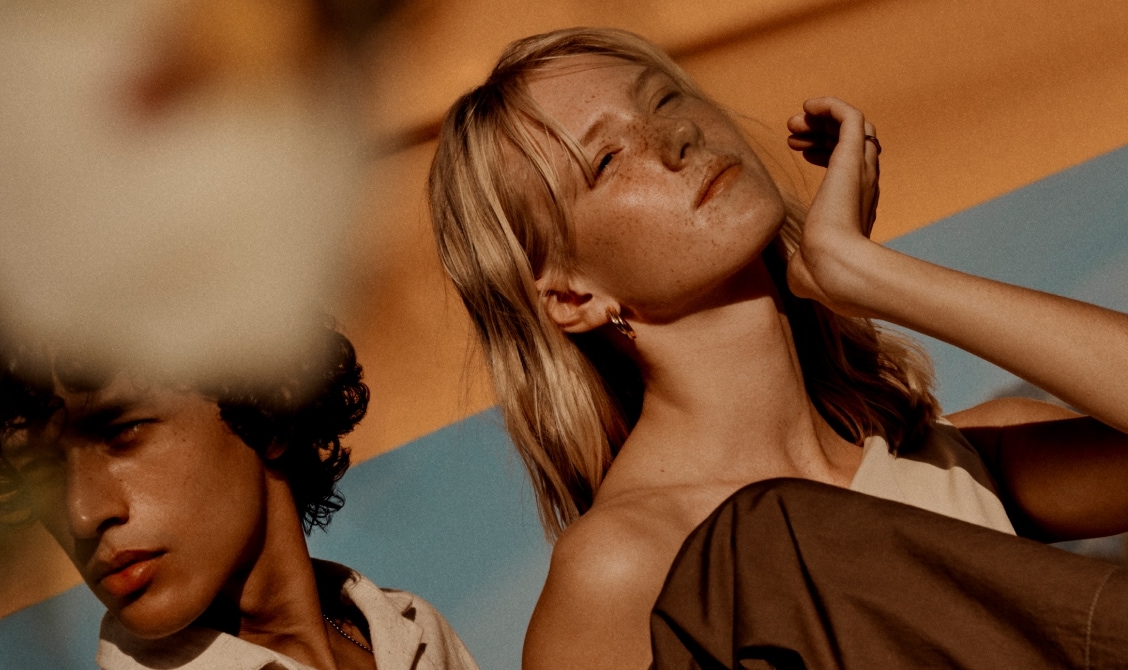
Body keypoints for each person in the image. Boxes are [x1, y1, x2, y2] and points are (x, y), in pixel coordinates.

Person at [425, 27, 1128, 668]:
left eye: (665, 99)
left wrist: (860, 273)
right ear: (573, 296)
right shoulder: (624, 567)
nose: (674, 137)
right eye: (606, 159)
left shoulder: (968, 462)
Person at [0, 285, 480, 670]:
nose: (82, 513)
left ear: (269, 402)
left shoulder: (412, 632)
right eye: (41, 473)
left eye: (122, 432)